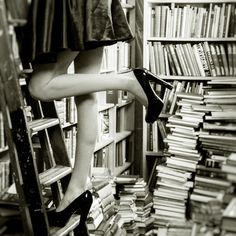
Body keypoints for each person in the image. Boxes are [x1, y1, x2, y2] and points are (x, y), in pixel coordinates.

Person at [19, 0, 172, 233]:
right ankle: (78, 186)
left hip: (74, 6)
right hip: (95, 5)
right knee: (86, 92)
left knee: (39, 86)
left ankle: (128, 81)